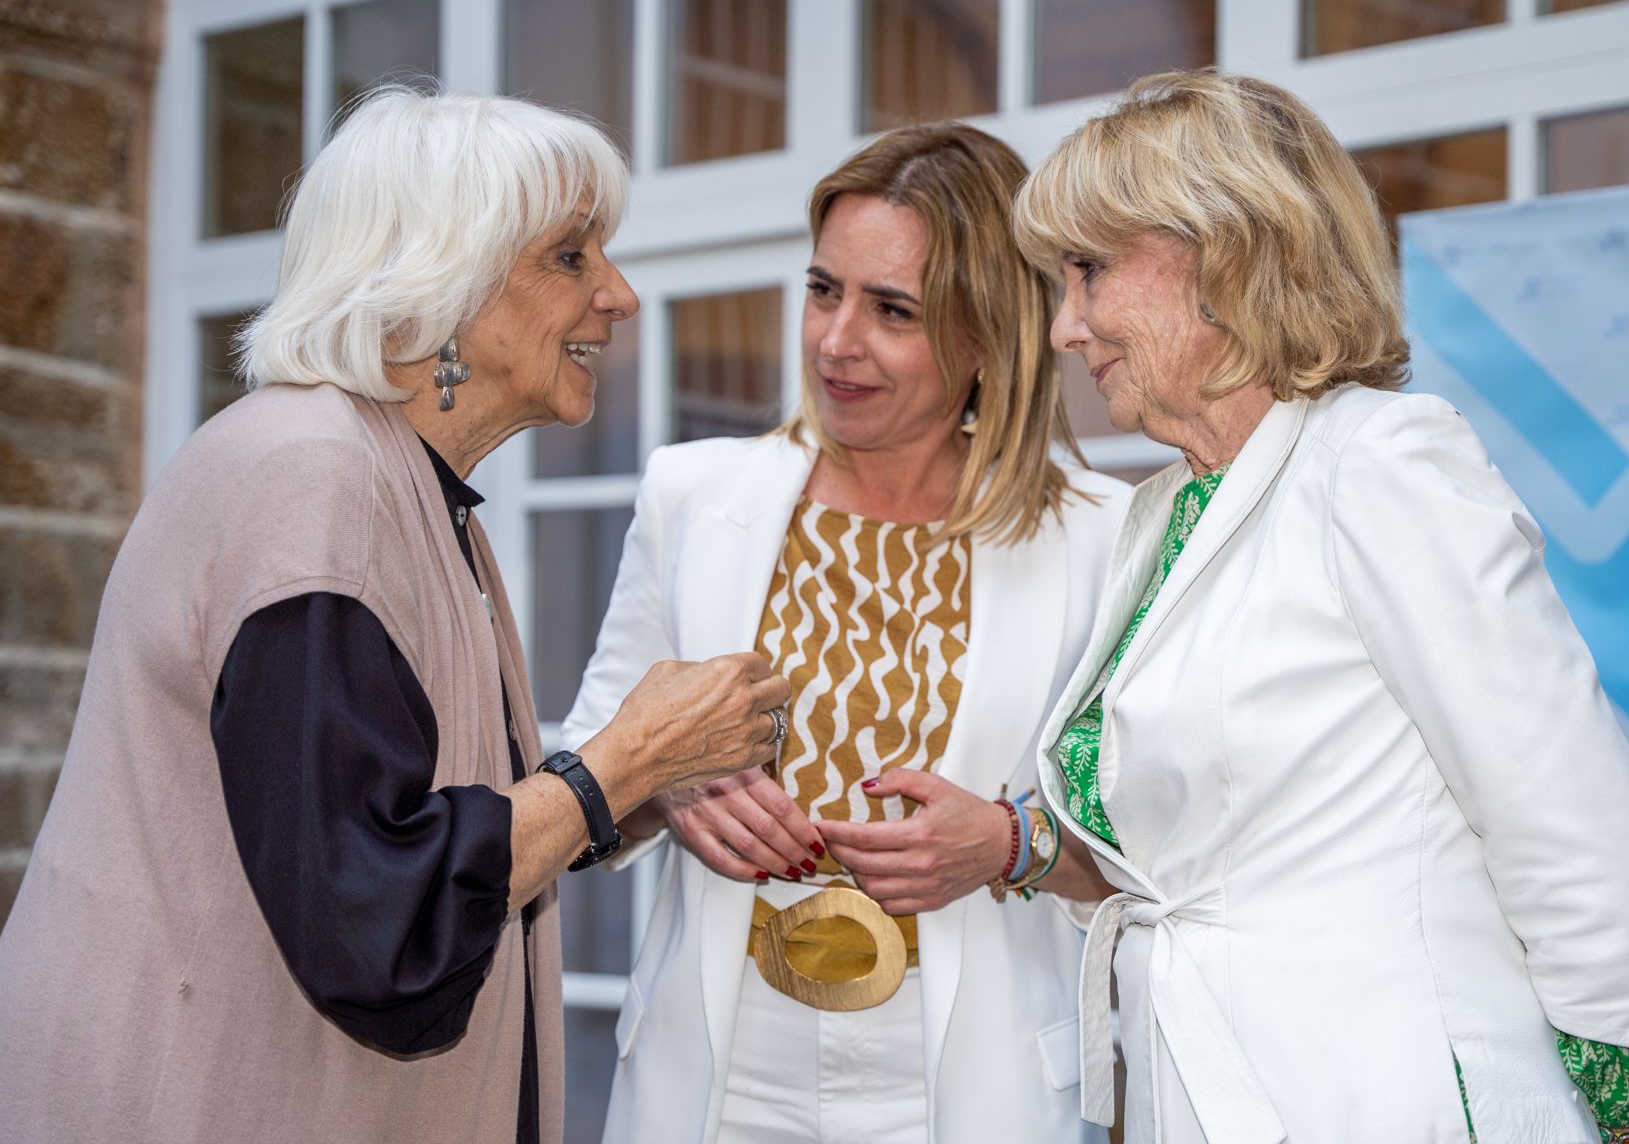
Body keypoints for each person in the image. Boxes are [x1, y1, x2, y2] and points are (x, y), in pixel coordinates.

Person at [0, 88, 789, 1144]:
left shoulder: (398, 485)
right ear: (442, 287)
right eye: (571, 256)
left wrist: (643, 783)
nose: (619, 294)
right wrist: (620, 760)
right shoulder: (311, 478)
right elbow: (380, 910)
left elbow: (420, 823)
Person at [1012, 69, 1629, 1144]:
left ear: (1224, 254)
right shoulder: (1162, 513)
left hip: (1389, 1093)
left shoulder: (1381, 459)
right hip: (1202, 1090)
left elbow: (1565, 805)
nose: (1066, 327)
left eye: (1088, 272)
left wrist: (1613, 1091)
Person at [560, 123, 1130, 1144]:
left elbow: (1157, 840)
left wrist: (1008, 842)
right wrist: (665, 779)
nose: (836, 340)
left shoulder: (1103, 537)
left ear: (986, 335)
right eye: (823, 290)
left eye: (892, 310)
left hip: (970, 1067)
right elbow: (591, 763)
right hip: (722, 1066)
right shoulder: (695, 495)